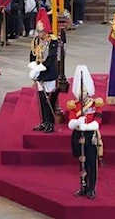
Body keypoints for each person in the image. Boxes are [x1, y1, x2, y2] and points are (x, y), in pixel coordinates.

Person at [67, 65, 103, 199]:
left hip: (90, 135)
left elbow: (98, 120)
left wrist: (87, 126)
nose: (82, 94)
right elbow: (70, 122)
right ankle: (82, 186)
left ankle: (91, 188)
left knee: (91, 164)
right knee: (82, 163)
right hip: (78, 135)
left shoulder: (95, 104)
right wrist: (77, 122)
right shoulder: (74, 105)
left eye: (84, 91)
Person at [29, 18, 59, 133]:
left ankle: (50, 123)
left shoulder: (53, 41)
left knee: (49, 99)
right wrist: (33, 68)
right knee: (41, 98)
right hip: (39, 73)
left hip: (49, 73)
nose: (38, 33)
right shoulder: (36, 40)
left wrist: (39, 68)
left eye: (40, 31)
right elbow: (32, 55)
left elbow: (51, 58)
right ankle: (44, 121)